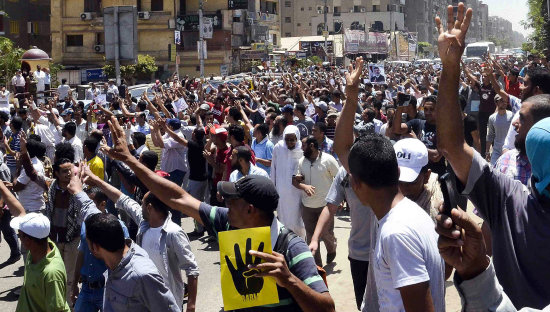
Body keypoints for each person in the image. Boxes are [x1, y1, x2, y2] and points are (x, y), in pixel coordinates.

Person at [98, 118, 335, 311]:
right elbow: (179, 198)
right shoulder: (228, 222)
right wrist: (129, 160)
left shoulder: (291, 249)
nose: (223, 202)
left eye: (233, 201)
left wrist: (289, 281)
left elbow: (327, 309)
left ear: (250, 210)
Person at [434, 4, 550, 308]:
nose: (513, 121)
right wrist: (450, 69)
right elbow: (453, 146)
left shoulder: (512, 200)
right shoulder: (510, 196)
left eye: (522, 120)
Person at [336, 56, 445, 312]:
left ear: (356, 182)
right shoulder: (403, 213)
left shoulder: (397, 232)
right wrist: (351, 95)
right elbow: (342, 147)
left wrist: (352, 95)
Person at [82, 167, 199, 312]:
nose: (139, 206)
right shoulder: (144, 224)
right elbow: (122, 199)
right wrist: (97, 180)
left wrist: (192, 305)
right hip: (141, 299)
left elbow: (191, 269)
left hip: (167, 304)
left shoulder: (173, 233)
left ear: (149, 208)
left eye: (142, 203)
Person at [309, 165, 376, 310]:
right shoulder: (344, 171)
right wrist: (315, 238)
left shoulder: (384, 163)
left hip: (387, 252)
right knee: (363, 305)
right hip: (359, 253)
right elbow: (330, 207)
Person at [72, 188, 130, 312]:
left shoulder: (118, 227)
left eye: (90, 204)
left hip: (108, 291)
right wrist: (74, 283)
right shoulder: (85, 225)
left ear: (102, 204)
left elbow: (125, 262)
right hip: (86, 289)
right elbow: (81, 254)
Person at [292, 135, 339, 267]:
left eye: (304, 145)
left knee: (325, 234)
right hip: (307, 206)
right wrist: (303, 185)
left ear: (312, 146)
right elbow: (294, 181)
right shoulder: (302, 161)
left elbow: (339, 179)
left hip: (326, 206)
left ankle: (332, 247)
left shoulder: (328, 160)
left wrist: (339, 198)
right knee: (311, 235)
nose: (301, 148)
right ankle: (317, 265)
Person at [394, 138, 442, 222]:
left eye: (411, 182)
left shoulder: (436, 211)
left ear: (426, 176)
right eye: (397, 181)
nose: (403, 190)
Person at [270, 125, 305, 238]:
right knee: (283, 217)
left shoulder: (302, 148)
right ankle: (286, 242)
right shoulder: (278, 147)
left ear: (297, 138)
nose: (289, 142)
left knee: (298, 219)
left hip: (297, 191)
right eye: (287, 139)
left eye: (292, 139)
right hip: (282, 190)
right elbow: (273, 169)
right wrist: (273, 188)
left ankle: (300, 242)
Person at [486, 94, 513, 165]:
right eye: (501, 101)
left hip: (509, 151)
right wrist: (487, 151)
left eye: (505, 101)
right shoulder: (492, 118)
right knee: (492, 171)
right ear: (496, 103)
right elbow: (490, 135)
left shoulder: (512, 116)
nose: (504, 102)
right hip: (496, 151)